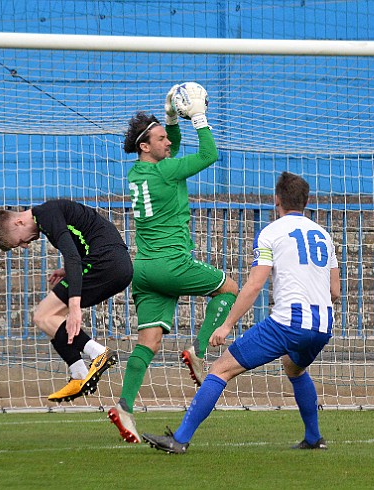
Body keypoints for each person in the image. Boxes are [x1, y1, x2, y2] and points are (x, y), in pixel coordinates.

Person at [142, 171, 340, 453]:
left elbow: (254, 284)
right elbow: (335, 292)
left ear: (277, 201)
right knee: (294, 367)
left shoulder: (271, 232)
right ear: (306, 201)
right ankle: (313, 438)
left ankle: (180, 439)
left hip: (288, 322)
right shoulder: (324, 235)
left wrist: (226, 326)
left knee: (220, 369)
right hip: (323, 325)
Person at [108, 83, 239, 443]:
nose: (168, 142)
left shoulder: (139, 173)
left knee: (148, 342)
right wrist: (198, 117)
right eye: (161, 138)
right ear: (145, 147)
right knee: (230, 288)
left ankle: (124, 405)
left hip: (144, 271)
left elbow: (174, 148)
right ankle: (197, 351)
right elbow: (209, 154)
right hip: (171, 263)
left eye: (168, 137)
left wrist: (169, 116)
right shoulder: (168, 172)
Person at [0, 198, 133, 402]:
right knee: (48, 318)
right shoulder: (48, 217)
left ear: (17, 222)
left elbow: (72, 256)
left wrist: (74, 307)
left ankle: (98, 354)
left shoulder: (45, 214)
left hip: (108, 264)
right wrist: (67, 272)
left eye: (19, 242)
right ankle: (78, 374)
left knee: (42, 315)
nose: (25, 246)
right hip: (113, 265)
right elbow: (86, 241)